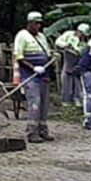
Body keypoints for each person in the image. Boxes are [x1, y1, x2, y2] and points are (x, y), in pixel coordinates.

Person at [13, 10, 54, 143]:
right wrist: (33, 67)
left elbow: (46, 55)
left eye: (40, 24)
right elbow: (19, 57)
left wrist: (47, 71)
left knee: (44, 104)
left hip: (43, 75)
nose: (38, 26)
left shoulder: (42, 37)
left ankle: (43, 129)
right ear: (29, 23)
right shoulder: (22, 36)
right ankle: (32, 132)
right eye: (36, 23)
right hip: (30, 75)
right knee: (34, 102)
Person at [54, 22, 89, 107]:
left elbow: (83, 50)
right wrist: (66, 45)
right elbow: (58, 42)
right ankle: (66, 100)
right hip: (68, 57)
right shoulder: (68, 34)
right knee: (66, 81)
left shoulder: (84, 42)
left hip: (78, 60)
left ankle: (78, 100)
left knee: (78, 82)